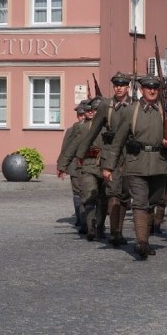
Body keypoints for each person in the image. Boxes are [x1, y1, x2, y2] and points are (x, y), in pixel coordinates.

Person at [102, 74, 167, 259]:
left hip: (159, 164)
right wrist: (109, 166)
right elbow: (118, 141)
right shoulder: (131, 111)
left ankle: (144, 237)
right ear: (142, 90)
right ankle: (142, 242)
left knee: (152, 201)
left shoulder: (166, 111)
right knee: (140, 203)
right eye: (148, 88)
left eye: (155, 88)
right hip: (136, 164)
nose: (152, 91)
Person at [74, 72, 135, 247]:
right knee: (113, 192)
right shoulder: (106, 106)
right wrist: (81, 152)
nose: (119, 88)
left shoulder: (135, 105)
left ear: (127, 87)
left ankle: (120, 230)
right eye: (116, 85)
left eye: (122, 85)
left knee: (125, 194)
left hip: (130, 153)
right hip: (110, 153)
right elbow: (93, 131)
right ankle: (115, 232)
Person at [58, 97, 107, 241]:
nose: (93, 112)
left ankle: (100, 226)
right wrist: (62, 166)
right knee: (89, 195)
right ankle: (91, 227)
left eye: (97, 110)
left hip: (105, 165)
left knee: (103, 199)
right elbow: (71, 147)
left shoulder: (109, 126)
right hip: (88, 164)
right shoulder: (83, 127)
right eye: (92, 110)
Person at [57, 100, 89, 234]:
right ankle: (81, 218)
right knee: (78, 193)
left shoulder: (93, 127)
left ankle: (91, 220)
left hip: (90, 164)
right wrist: (61, 166)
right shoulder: (72, 130)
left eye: (83, 115)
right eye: (79, 115)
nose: (81, 117)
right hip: (75, 165)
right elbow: (66, 149)